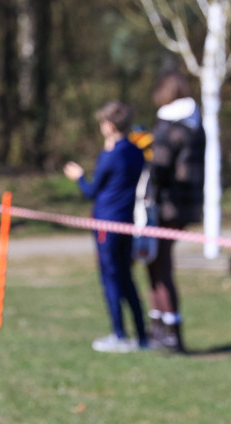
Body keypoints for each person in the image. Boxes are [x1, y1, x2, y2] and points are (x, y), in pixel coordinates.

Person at [64, 100, 148, 353]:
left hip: (105, 225)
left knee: (110, 278)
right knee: (127, 278)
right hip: (126, 222)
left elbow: (91, 191)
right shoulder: (136, 152)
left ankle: (119, 335)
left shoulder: (110, 156)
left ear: (110, 126)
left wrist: (78, 176)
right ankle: (142, 336)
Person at [145, 70, 205, 353]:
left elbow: (160, 167)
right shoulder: (195, 124)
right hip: (186, 205)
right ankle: (159, 326)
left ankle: (169, 332)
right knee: (157, 263)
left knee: (161, 265)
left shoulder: (170, 126)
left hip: (168, 206)